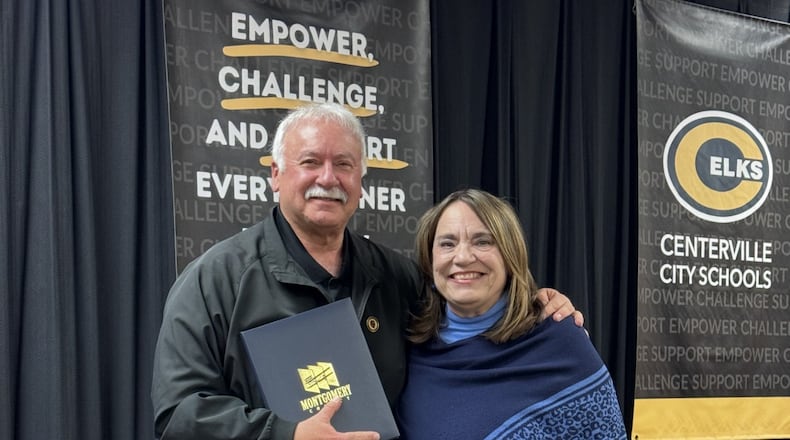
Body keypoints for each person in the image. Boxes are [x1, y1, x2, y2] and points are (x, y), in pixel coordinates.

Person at [151, 103, 582, 440]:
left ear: (361, 180)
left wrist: (534, 306)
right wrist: (286, 433)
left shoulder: (398, 278)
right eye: (310, 162)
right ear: (276, 175)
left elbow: (469, 315)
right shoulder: (213, 281)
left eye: (344, 164)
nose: (328, 177)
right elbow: (179, 415)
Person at [396, 189, 626, 439]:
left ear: (510, 255)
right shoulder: (409, 344)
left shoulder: (561, 343)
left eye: (482, 241)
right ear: (430, 260)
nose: (462, 257)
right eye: (447, 244)